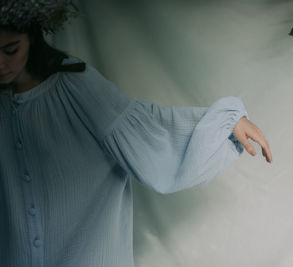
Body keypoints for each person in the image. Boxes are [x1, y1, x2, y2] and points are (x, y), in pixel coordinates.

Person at [0, 1, 272, 266]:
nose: (0, 64)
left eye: (10, 49)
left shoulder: (73, 84)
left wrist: (225, 123)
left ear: (32, 38)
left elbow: (146, 129)